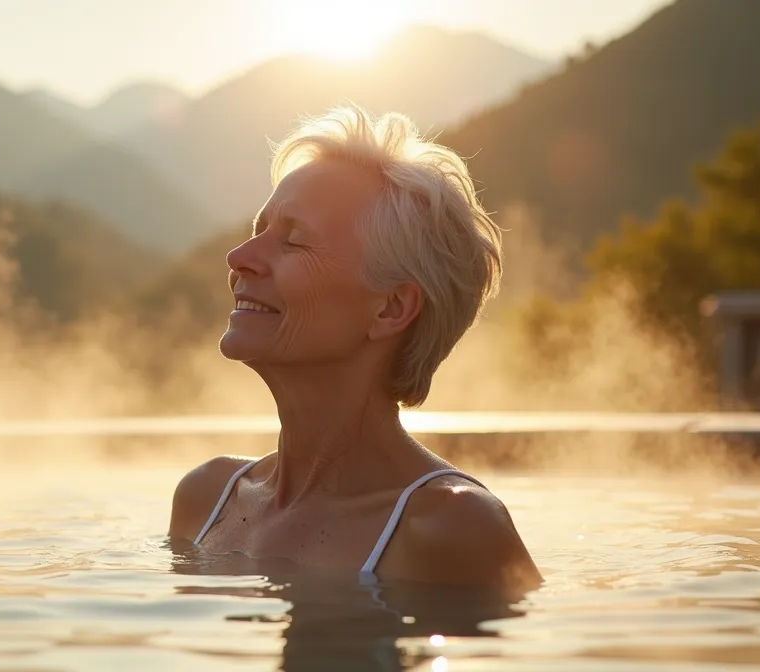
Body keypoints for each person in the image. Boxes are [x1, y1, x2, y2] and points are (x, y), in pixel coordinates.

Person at [168, 105, 541, 591]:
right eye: (259, 231)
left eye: (294, 241)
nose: (239, 258)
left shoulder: (451, 527)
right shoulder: (206, 498)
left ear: (389, 308)